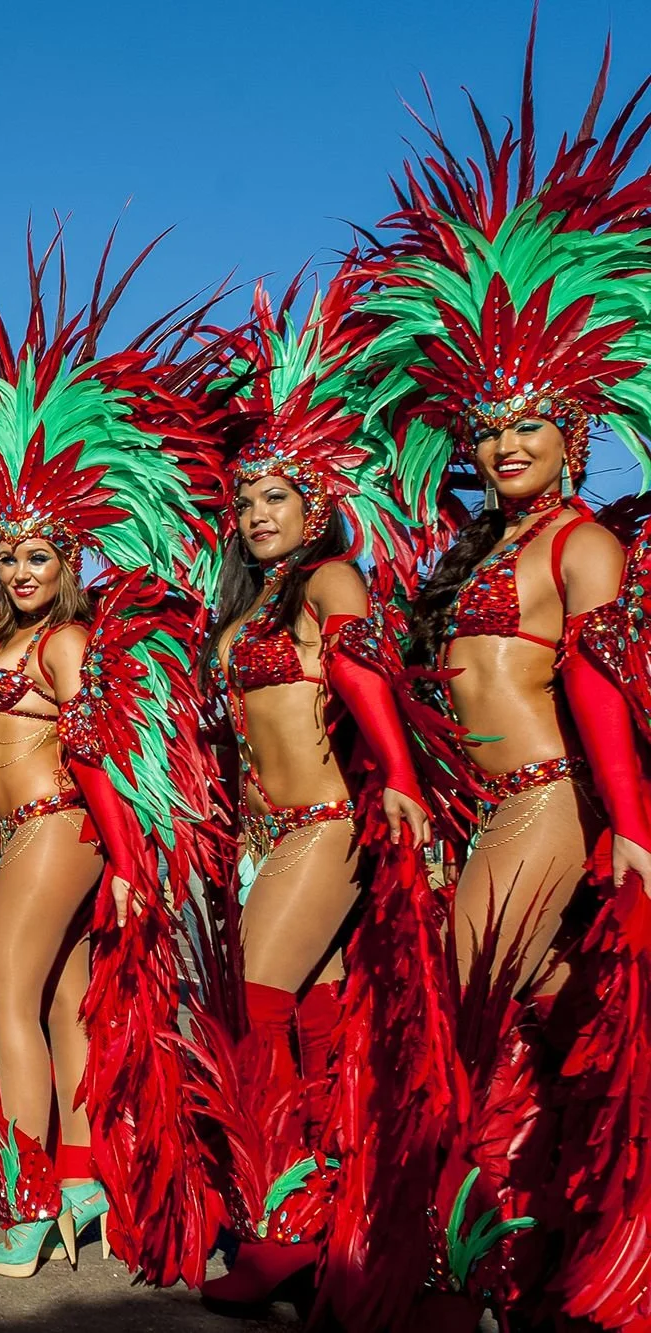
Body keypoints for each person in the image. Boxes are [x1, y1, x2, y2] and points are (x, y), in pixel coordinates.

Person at [356, 43, 651, 1329]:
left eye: (524, 421)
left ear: (572, 430)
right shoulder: (479, 546)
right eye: (483, 426)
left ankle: (456, 1272)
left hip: (545, 809)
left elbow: (595, 697)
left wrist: (631, 831)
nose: (499, 442)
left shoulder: (579, 541)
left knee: (459, 1033)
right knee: (539, 1041)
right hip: (492, 809)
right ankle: (538, 1265)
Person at [0, 241, 219, 1283]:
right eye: (7, 554)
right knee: (56, 1003)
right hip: (29, 831)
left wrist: (130, 861)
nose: (19, 568)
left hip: (58, 826)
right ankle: (81, 1180)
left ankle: (29, 1198)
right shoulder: (7, 640)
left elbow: (95, 756)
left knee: (2, 1001)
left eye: (39, 554)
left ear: (71, 561)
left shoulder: (64, 642)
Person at [192, 275, 440, 1315]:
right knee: (315, 1023)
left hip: (325, 825)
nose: (254, 514)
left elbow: (364, 678)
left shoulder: (330, 580)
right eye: (244, 501)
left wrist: (398, 781)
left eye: (274, 499)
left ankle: (281, 1230)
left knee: (245, 1008)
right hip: (259, 837)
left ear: (318, 507)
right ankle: (339, 1211)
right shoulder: (242, 609)